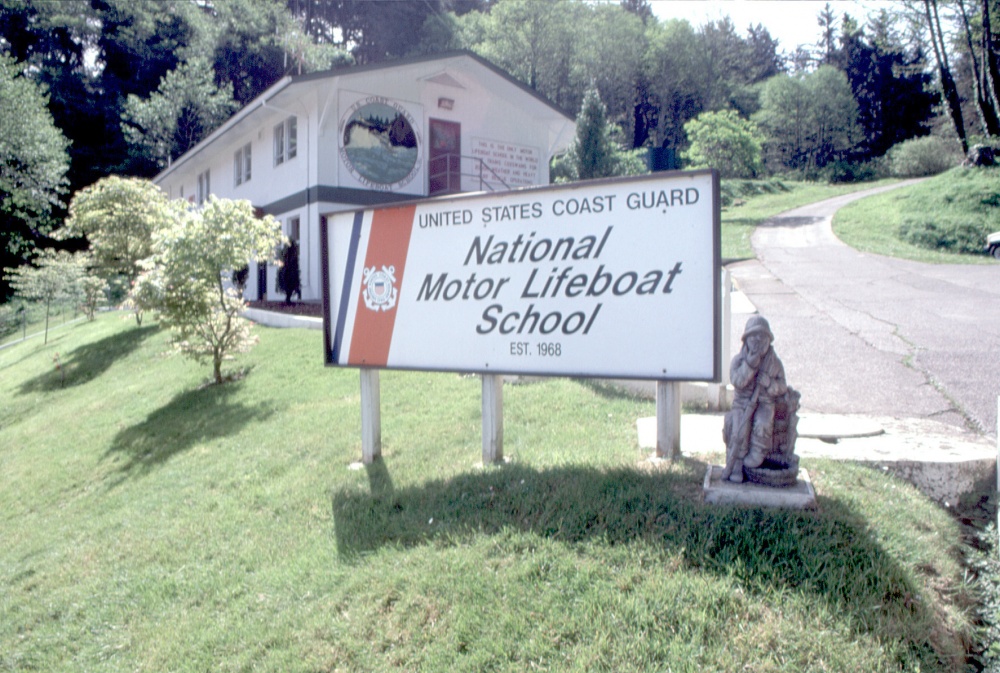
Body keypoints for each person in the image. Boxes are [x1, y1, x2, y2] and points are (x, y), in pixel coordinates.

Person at [722, 316, 788, 483]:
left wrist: (769, 383)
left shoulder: (775, 363)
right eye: (754, 336)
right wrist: (749, 366)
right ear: (746, 340)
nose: (758, 341)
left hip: (765, 403)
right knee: (739, 430)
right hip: (742, 403)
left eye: (762, 337)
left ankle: (756, 460)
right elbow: (737, 381)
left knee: (763, 423)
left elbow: (782, 386)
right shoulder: (738, 361)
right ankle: (736, 463)